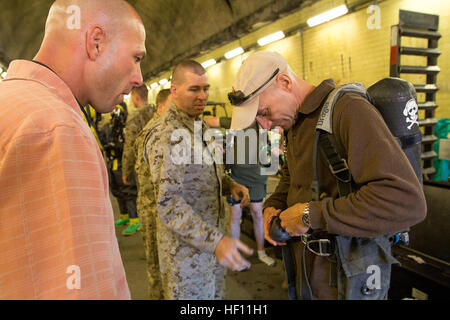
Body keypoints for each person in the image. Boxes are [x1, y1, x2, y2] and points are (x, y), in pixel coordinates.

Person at [228, 51, 427, 299]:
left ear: (285, 83)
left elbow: (406, 202)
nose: (265, 125)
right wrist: (273, 206)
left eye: (264, 112)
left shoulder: (347, 111)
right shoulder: (296, 123)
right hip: (309, 272)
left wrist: (309, 215)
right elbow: (291, 178)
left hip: (350, 275)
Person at [0, 0, 146, 299]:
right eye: (136, 57)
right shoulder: (58, 129)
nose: (139, 78)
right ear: (96, 42)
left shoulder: (13, 100)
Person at [143, 60, 254, 299]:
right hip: (185, 256)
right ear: (174, 91)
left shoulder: (198, 125)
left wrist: (229, 185)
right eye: (194, 89)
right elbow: (168, 203)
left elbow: (206, 171)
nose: (202, 96)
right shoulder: (168, 134)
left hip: (210, 247)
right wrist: (216, 241)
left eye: (206, 88)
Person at [204, 116, 275, 266]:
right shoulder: (236, 121)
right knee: (235, 215)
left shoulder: (264, 123)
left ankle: (261, 252)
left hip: (257, 177)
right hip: (237, 177)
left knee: (257, 213)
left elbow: (278, 127)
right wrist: (210, 142)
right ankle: (235, 252)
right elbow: (209, 120)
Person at [134, 88, 171, 299]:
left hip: (163, 212)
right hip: (153, 213)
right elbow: (155, 186)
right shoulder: (153, 133)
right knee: (157, 269)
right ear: (160, 107)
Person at [119, 85, 154, 235]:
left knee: (146, 203)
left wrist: (125, 170)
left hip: (143, 167)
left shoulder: (134, 116)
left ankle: (149, 235)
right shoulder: (156, 111)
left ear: (136, 97)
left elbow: (129, 145)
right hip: (158, 163)